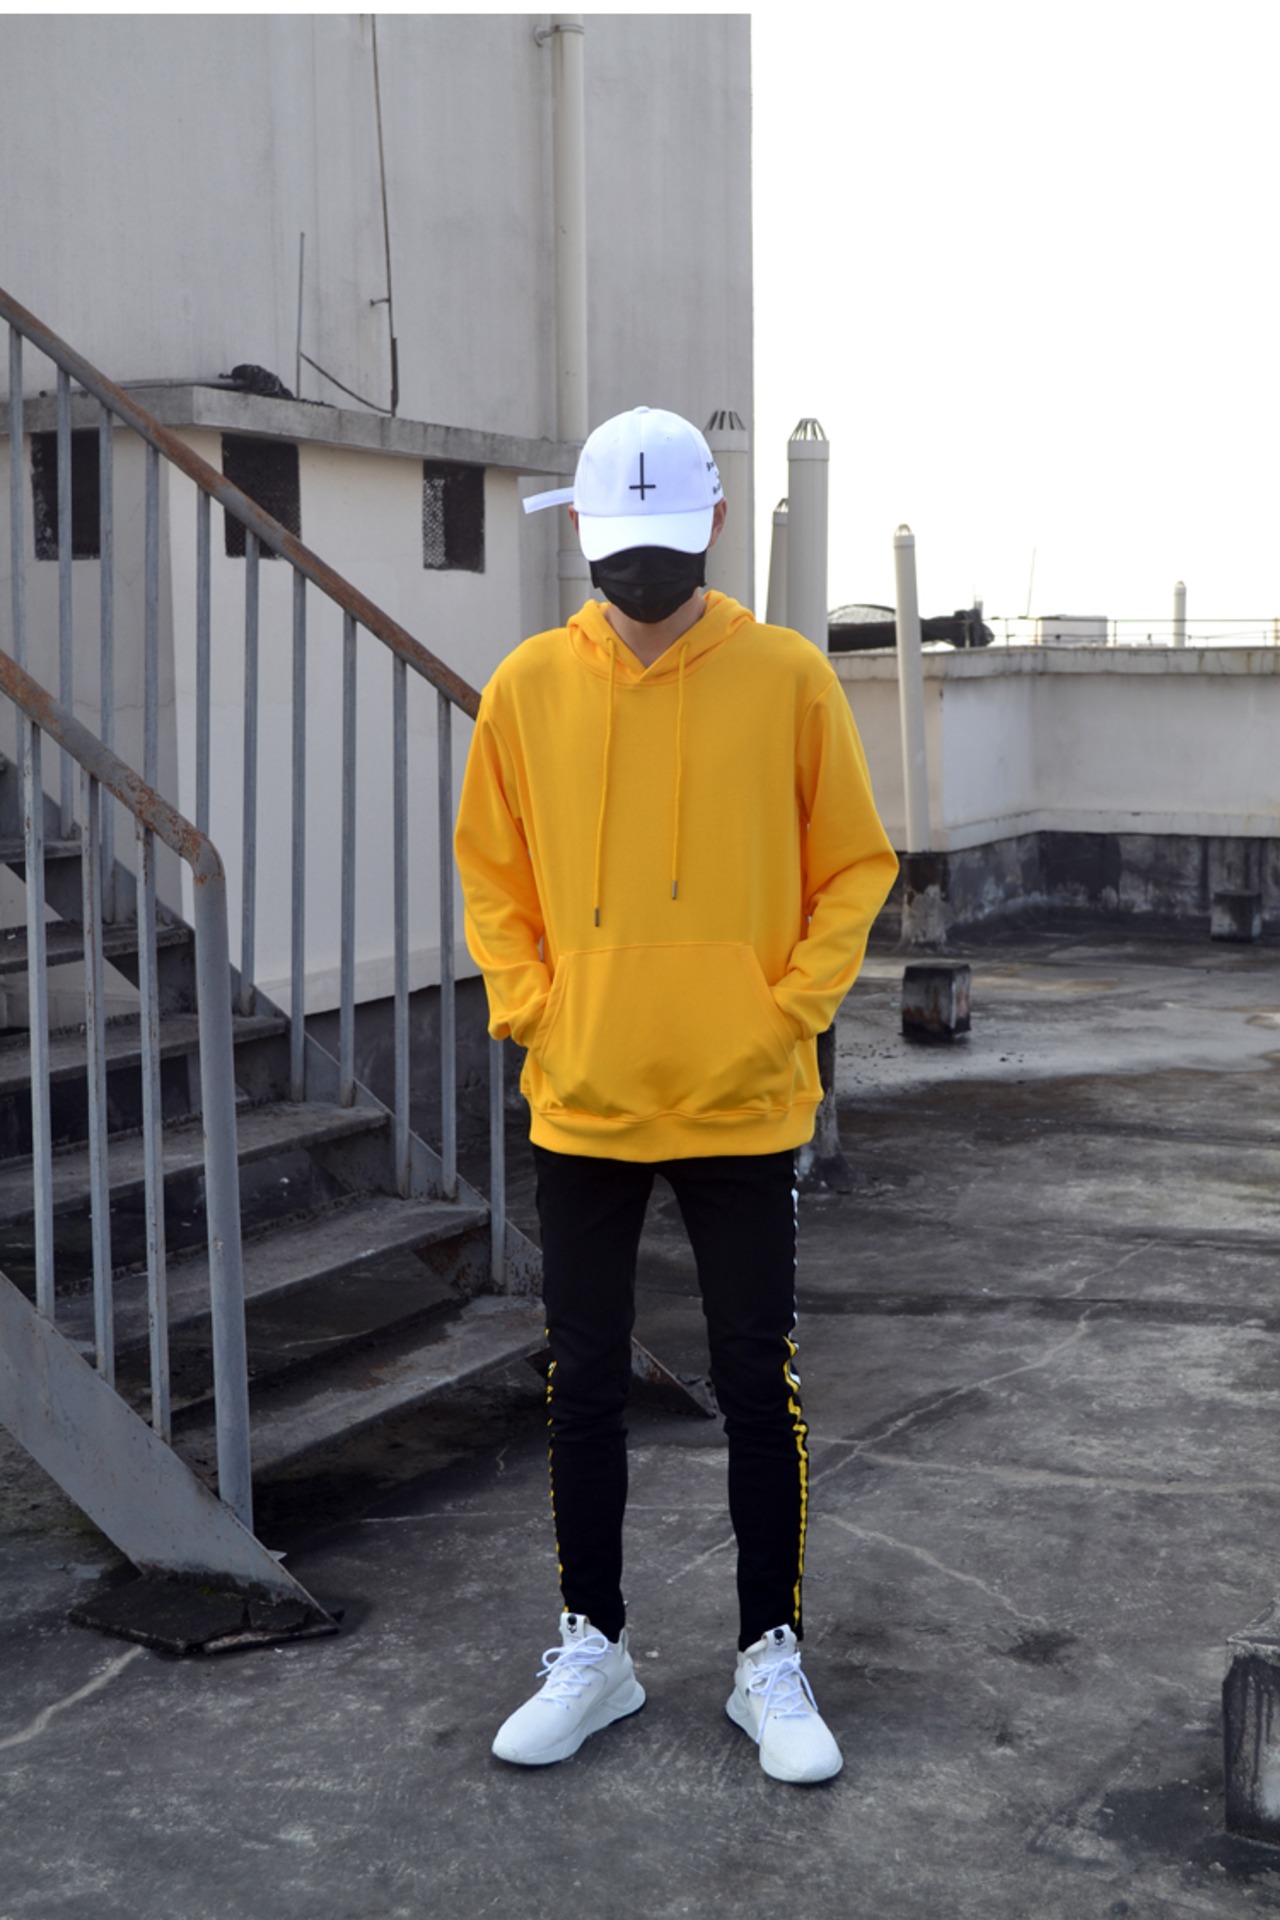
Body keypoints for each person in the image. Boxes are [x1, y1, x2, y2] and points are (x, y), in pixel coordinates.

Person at [454, 405, 898, 1783]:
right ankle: (596, 1648)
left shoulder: (789, 679)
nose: (637, 570)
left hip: (742, 1097)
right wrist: (537, 1011)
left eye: (661, 539)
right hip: (584, 1096)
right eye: (615, 544)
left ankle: (770, 1655)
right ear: (581, 537)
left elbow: (855, 864)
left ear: (711, 524)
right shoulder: (528, 686)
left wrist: (787, 1011)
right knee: (581, 1380)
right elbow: (492, 876)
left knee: (756, 1383)